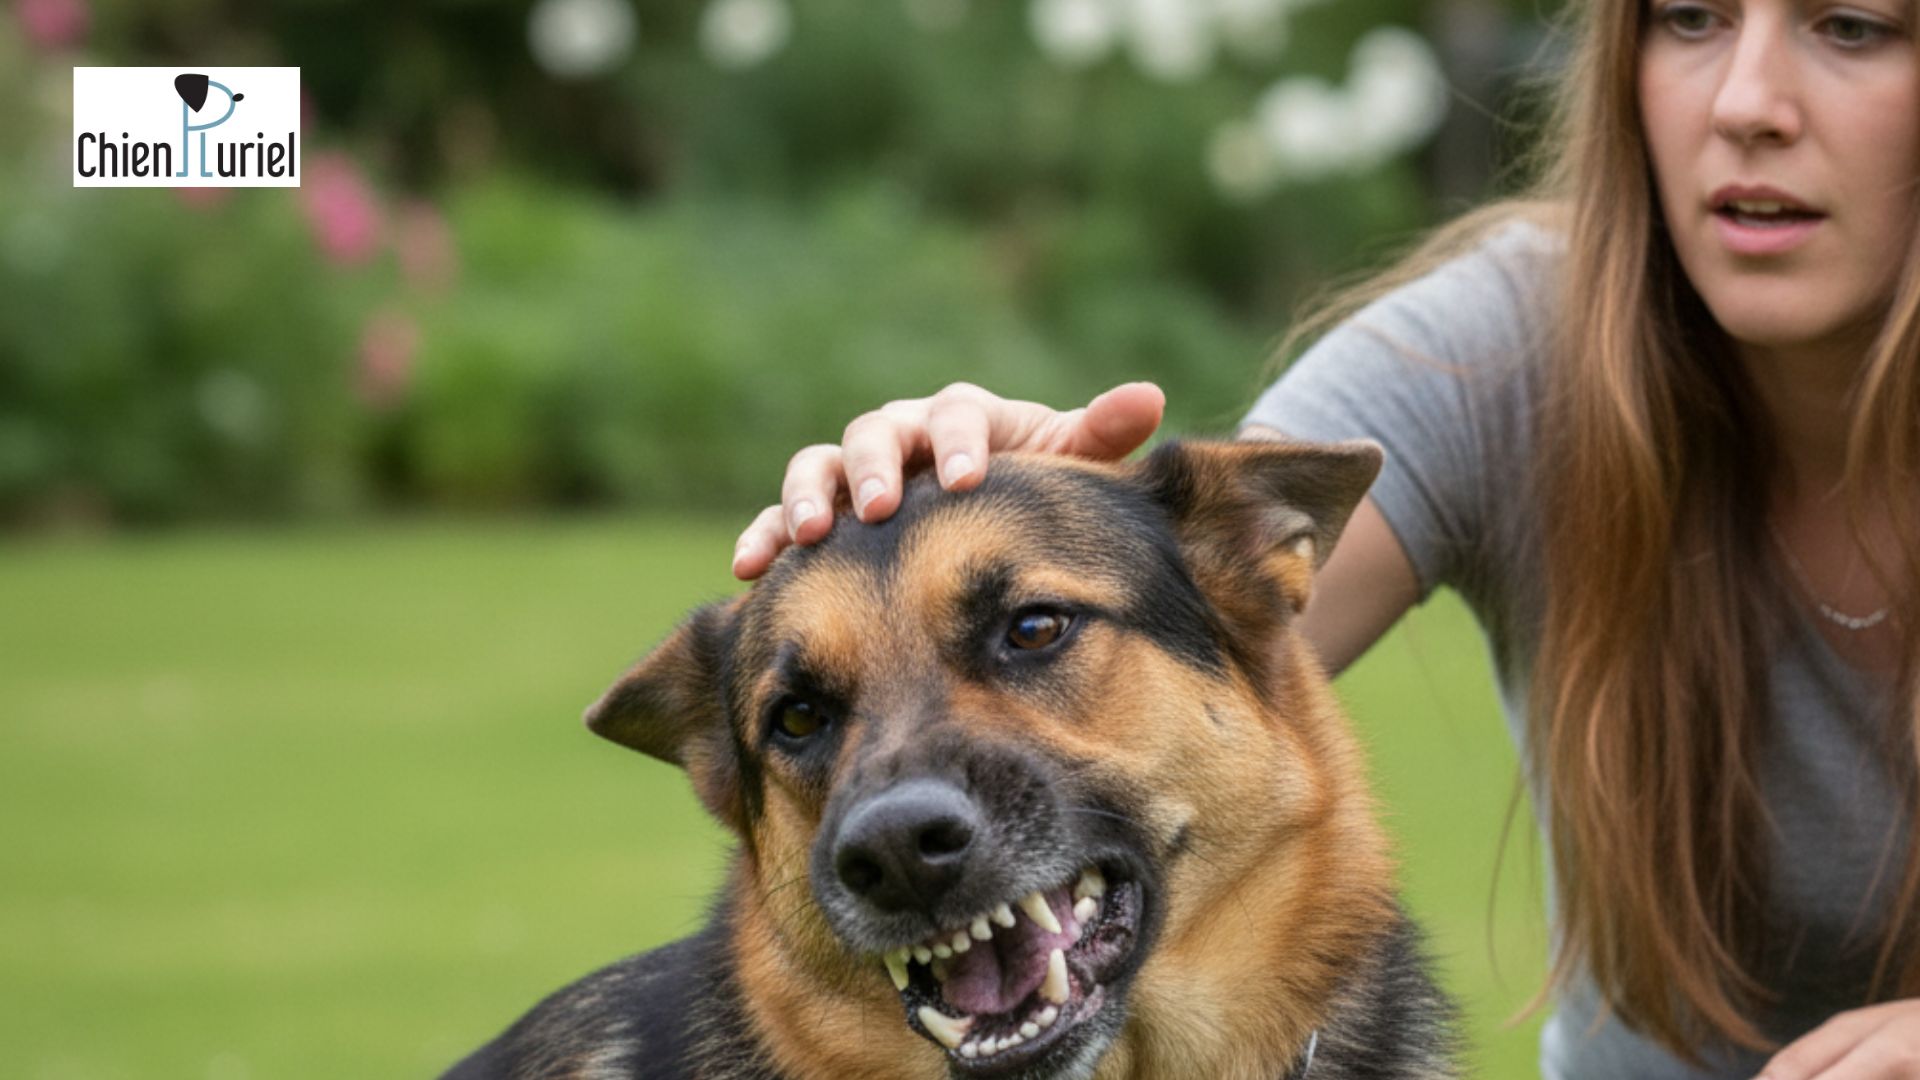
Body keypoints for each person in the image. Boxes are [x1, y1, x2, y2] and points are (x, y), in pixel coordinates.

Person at [730, 1, 1920, 1077]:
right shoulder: (1511, 350)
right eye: (1692, 18)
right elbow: (1209, 598)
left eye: (1855, 27)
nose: (1746, 104)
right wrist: (1050, 506)